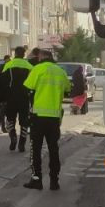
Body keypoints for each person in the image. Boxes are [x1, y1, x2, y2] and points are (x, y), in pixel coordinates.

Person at [22, 49, 70, 191]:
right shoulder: (60, 71)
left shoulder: (38, 69)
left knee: (35, 149)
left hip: (38, 117)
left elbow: (27, 88)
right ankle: (54, 181)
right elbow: (67, 90)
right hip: (54, 118)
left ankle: (36, 179)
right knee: (53, 149)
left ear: (42, 57)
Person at [2, 46, 34, 152]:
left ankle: (13, 136)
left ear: (15, 53)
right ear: (24, 54)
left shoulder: (8, 65)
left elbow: (4, 82)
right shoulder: (29, 66)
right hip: (24, 97)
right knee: (24, 121)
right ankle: (22, 143)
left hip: (11, 97)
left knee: (10, 119)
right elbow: (33, 84)